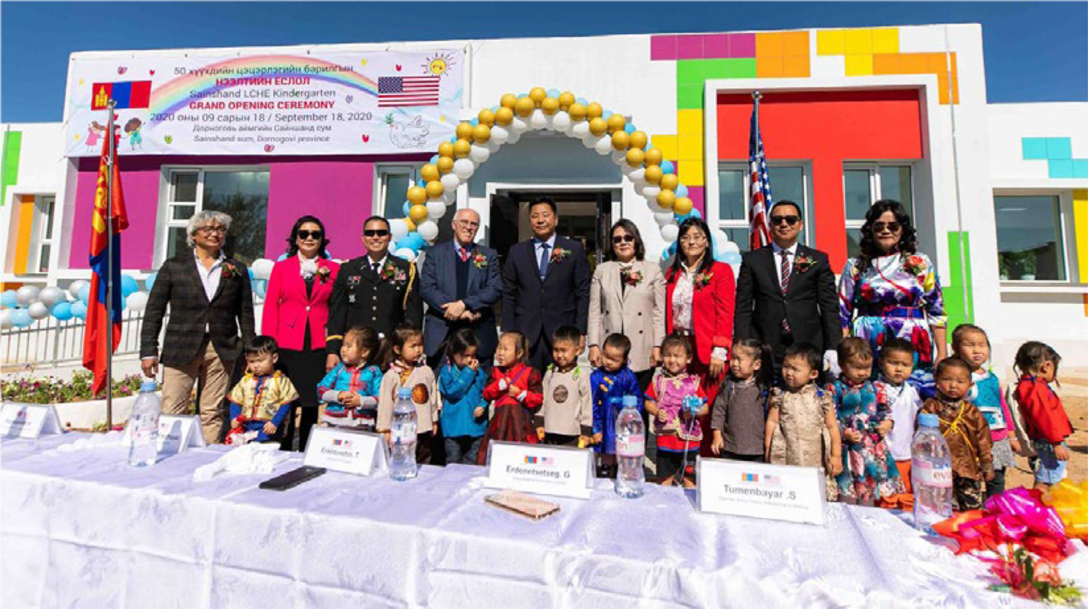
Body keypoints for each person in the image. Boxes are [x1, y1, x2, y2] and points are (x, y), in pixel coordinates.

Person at [140, 210, 255, 444]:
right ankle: (169, 454)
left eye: (220, 230)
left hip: (222, 347)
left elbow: (245, 312)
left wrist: (250, 349)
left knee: (212, 411)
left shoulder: (237, 269)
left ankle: (207, 454)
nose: (215, 234)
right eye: (209, 229)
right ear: (193, 235)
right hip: (181, 347)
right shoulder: (174, 266)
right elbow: (154, 310)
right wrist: (148, 350)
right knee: (173, 407)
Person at [838, 200, 946, 398]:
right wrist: (844, 351)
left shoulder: (920, 263)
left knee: (914, 396)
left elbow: (936, 310)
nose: (886, 230)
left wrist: (942, 352)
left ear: (902, 230)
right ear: (870, 229)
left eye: (893, 226)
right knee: (871, 396)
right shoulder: (855, 265)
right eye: (879, 226)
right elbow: (842, 312)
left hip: (911, 336)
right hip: (869, 336)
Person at [733, 200, 840, 373]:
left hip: (808, 344)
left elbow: (829, 306)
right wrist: (742, 345)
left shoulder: (818, 260)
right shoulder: (752, 260)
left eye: (791, 220)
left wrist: (833, 347)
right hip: (765, 345)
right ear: (770, 225)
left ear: (800, 224)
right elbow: (743, 306)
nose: (784, 224)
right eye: (778, 220)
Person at [262, 215, 340, 451]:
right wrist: (269, 346)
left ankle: (306, 447)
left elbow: (336, 309)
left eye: (315, 234)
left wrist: (333, 346)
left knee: (310, 401)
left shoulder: (334, 269)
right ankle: (282, 446)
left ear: (322, 240)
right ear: (295, 238)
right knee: (285, 399)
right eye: (303, 233)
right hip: (287, 342)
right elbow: (271, 305)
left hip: (317, 342)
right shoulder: (282, 267)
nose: (309, 238)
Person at [502, 198, 591, 371]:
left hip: (562, 332)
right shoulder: (516, 252)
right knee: (527, 386)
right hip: (526, 331)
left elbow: (583, 292)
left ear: (555, 219)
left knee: (561, 389)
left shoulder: (573, 249)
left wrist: (580, 331)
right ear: (530, 221)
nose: (540, 220)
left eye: (545, 215)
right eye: (535, 216)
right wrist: (508, 331)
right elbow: (508, 293)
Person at [327, 216, 422, 361]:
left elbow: (413, 313)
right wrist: (333, 350)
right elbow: (338, 313)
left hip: (391, 350)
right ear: (363, 238)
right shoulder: (349, 269)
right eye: (370, 233)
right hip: (356, 350)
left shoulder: (405, 269)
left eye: (381, 233)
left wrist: (409, 349)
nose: (375, 237)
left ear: (389, 237)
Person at [665, 217, 735, 406]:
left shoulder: (720, 271)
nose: (691, 242)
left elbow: (725, 312)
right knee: (679, 402)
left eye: (697, 237)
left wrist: (719, 350)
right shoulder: (672, 273)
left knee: (707, 403)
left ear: (706, 241)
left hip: (706, 346)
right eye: (685, 237)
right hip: (679, 347)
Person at [588, 219, 666, 389]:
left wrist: (658, 345)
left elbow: (659, 312)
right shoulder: (602, 270)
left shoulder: (652, 270)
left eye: (628, 238)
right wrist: (593, 344)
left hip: (641, 346)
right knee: (609, 401)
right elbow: (595, 311)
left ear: (636, 240)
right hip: (610, 347)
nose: (623, 242)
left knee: (638, 404)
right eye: (617, 239)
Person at [826, 338, 904, 506]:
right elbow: (829, 417)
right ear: (841, 363)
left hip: (871, 447)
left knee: (870, 489)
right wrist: (842, 431)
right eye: (856, 367)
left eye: (866, 368)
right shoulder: (835, 389)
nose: (862, 373)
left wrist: (887, 423)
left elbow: (885, 411)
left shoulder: (875, 388)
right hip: (848, 447)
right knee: (848, 492)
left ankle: (868, 521)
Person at [421, 208, 501, 370]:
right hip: (442, 333)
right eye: (464, 222)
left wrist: (464, 304)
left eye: (474, 224)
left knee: (478, 389)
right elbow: (427, 288)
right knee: (440, 387)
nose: (469, 227)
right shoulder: (435, 253)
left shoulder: (488, 255)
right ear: (453, 225)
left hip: (478, 333)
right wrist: (455, 310)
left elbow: (494, 289)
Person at [765, 343, 843, 500]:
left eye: (795, 369)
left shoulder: (822, 397)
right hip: (786, 454)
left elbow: (832, 427)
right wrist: (768, 449)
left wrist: (836, 455)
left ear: (813, 373)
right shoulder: (779, 395)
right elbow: (772, 422)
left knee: (813, 495)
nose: (788, 373)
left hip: (815, 457)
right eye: (786, 367)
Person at [953, 324, 1020, 498]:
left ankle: (994, 511)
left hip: (996, 438)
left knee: (996, 479)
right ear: (955, 348)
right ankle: (970, 511)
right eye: (970, 345)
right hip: (970, 440)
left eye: (982, 345)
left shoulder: (992, 377)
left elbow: (1002, 406)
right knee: (970, 480)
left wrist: (1011, 435)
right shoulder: (956, 379)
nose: (977, 350)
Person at [919, 357, 994, 511]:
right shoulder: (930, 408)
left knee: (971, 508)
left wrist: (987, 466)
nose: (953, 385)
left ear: (970, 385)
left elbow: (983, 441)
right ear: (936, 380)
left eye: (960, 382)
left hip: (968, 468)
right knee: (943, 508)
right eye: (946, 379)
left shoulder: (972, 412)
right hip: (939, 470)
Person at [644, 334, 707, 486]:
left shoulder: (694, 383)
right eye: (667, 355)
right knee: (664, 480)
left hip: (689, 442)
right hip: (666, 441)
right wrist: (657, 411)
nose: (672, 360)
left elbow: (705, 407)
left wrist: (695, 412)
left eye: (677, 356)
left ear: (688, 358)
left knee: (690, 480)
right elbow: (648, 402)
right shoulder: (658, 382)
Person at [1013, 341, 1073, 493]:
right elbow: (1044, 417)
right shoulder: (1035, 388)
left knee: (1046, 476)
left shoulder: (1026, 385)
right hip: (1048, 441)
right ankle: (1038, 509)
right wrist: (1056, 443)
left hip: (1044, 440)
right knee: (1046, 480)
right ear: (1046, 366)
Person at [376, 324, 440, 464]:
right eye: (413, 346)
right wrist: (385, 429)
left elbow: (433, 397)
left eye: (420, 345)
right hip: (402, 430)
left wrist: (434, 419)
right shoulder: (391, 375)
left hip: (423, 427)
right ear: (398, 349)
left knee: (424, 459)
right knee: (404, 461)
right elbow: (386, 404)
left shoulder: (426, 371)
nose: (418, 350)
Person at [477, 331, 543, 464]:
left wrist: (520, 394)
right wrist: (499, 386)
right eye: (499, 347)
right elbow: (486, 393)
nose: (500, 352)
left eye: (506, 349)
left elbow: (537, 398)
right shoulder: (495, 372)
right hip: (500, 422)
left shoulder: (530, 373)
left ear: (519, 353)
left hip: (520, 423)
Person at [873, 338, 923, 510]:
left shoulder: (912, 392)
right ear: (881, 362)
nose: (899, 369)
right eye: (893, 363)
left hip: (907, 453)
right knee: (886, 498)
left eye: (905, 364)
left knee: (907, 496)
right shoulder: (874, 389)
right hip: (883, 453)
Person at [224, 336, 299, 444]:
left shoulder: (281, 381)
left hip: (268, 429)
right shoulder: (245, 381)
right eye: (251, 361)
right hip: (246, 428)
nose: (256, 366)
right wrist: (234, 418)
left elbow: (286, 404)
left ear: (274, 358)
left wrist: (275, 422)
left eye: (260, 360)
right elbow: (236, 401)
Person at [710, 338, 774, 462]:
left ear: (756, 365)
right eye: (733, 358)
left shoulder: (763, 388)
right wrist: (717, 436)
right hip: (730, 448)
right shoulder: (728, 385)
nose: (734, 363)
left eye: (739, 360)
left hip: (756, 450)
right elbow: (719, 412)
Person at [590, 333, 643, 478]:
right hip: (604, 417)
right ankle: (605, 471)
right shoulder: (596, 377)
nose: (608, 362)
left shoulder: (629, 376)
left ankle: (621, 473)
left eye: (614, 360)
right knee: (606, 448)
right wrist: (595, 429)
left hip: (623, 419)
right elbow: (592, 403)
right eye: (605, 356)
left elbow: (637, 398)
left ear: (625, 360)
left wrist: (633, 418)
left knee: (623, 449)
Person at [535, 326, 593, 447]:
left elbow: (586, 404)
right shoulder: (550, 373)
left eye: (564, 350)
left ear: (577, 350)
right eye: (556, 350)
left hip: (571, 433)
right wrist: (539, 422)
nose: (559, 355)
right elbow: (542, 398)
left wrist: (586, 431)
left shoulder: (581, 375)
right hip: (549, 430)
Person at [437, 329, 489, 465]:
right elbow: (453, 392)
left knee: (472, 462)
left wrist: (482, 405)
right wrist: (469, 373)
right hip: (453, 426)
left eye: (473, 355)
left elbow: (486, 393)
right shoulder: (447, 372)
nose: (470, 360)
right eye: (465, 355)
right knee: (453, 462)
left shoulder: (480, 372)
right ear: (454, 353)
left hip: (475, 426)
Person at [317, 326, 383, 431]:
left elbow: (380, 399)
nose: (343, 350)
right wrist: (338, 395)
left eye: (349, 346)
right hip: (334, 421)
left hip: (361, 424)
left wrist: (361, 401)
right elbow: (321, 390)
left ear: (364, 352)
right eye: (343, 345)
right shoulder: (339, 369)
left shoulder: (373, 372)